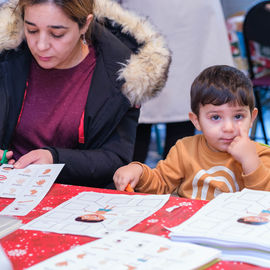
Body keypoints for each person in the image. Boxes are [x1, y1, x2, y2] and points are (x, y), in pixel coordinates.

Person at [0, 0, 171, 187]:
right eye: (31, 30)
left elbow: (115, 158)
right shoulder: (7, 53)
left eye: (57, 34)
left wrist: (55, 159)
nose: (41, 45)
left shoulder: (122, 74)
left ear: (85, 24)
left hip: (79, 195)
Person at [113, 65, 270, 200]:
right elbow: (160, 184)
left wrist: (250, 161)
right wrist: (138, 171)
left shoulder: (261, 154)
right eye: (216, 117)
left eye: (238, 116)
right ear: (196, 121)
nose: (228, 127)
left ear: (252, 118)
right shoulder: (185, 150)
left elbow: (262, 203)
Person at [119, 0, 234, 161]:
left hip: (181, 18)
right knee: (143, 109)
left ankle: (167, 181)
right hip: (152, 16)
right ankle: (146, 180)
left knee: (181, 104)